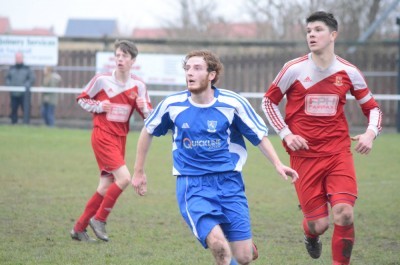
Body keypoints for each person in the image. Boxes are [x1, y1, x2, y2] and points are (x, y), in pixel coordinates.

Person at [131, 50, 298, 265]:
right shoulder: (173, 104)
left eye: (197, 68)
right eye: (187, 68)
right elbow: (148, 130)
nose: (190, 73)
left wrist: (278, 164)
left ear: (212, 75)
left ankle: (244, 248)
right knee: (219, 247)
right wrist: (138, 171)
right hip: (193, 185)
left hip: (229, 183)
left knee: (244, 256)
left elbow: (259, 136)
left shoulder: (233, 103)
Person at [261, 11, 383, 265]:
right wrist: (287, 134)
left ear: (333, 35)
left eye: (318, 30)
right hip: (304, 157)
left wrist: (370, 134)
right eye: (308, 31)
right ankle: (310, 234)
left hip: (338, 152)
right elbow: (268, 102)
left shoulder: (349, 72)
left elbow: (372, 108)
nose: (312, 35)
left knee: (344, 213)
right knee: (318, 224)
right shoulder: (293, 69)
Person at [70, 40, 152, 242]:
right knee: (124, 178)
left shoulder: (139, 86)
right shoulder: (101, 80)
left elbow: (150, 120)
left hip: (120, 139)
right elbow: (81, 98)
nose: (120, 59)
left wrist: (144, 107)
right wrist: (98, 106)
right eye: (117, 55)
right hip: (102, 135)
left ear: (133, 60)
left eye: (124, 56)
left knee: (106, 186)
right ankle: (99, 219)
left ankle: (79, 228)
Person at [5, 52, 35, 124]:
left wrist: (26, 85)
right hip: (14, 94)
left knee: (25, 109)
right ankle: (14, 123)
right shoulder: (12, 68)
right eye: (17, 58)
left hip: (24, 94)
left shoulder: (27, 68)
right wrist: (10, 85)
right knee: (14, 109)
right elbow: (7, 78)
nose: (18, 59)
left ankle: (26, 124)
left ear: (22, 58)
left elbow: (31, 78)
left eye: (19, 58)